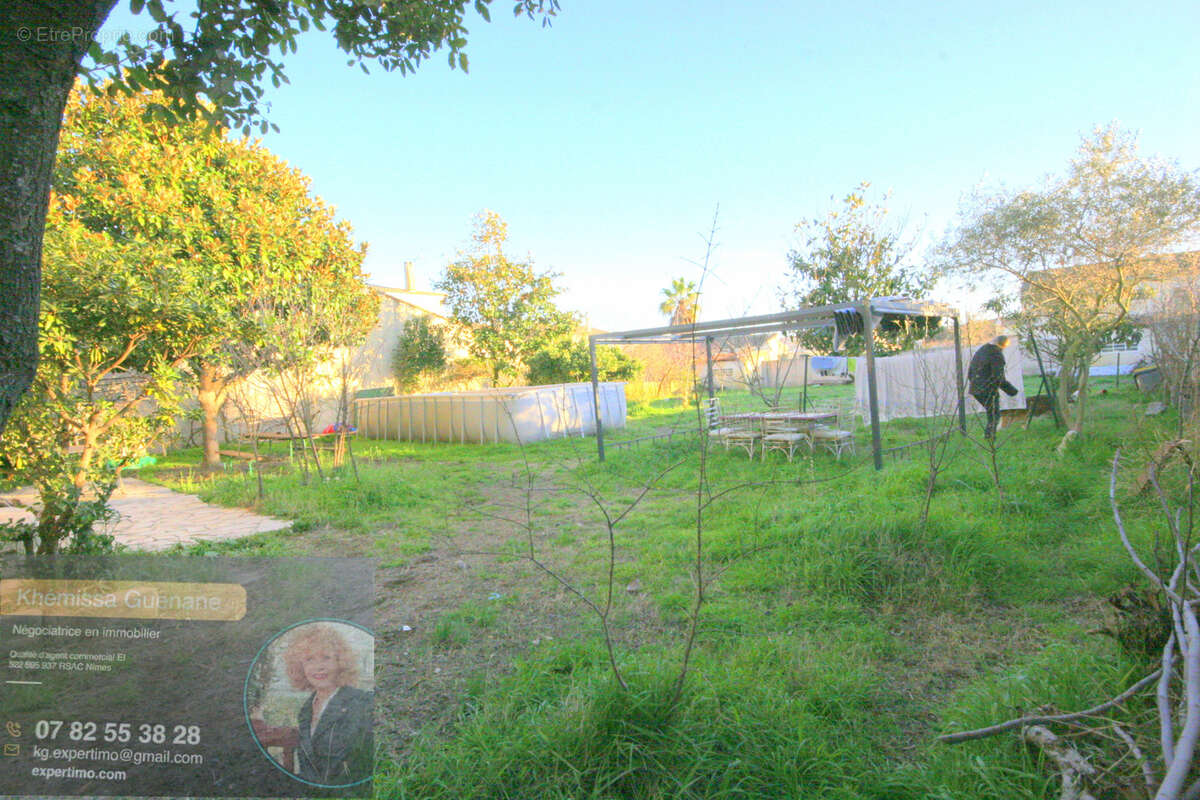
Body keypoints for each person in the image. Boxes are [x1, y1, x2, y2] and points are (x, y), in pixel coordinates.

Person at [282, 624, 373, 788]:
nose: (319, 667)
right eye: (309, 659)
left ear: (340, 662)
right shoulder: (305, 711)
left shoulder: (362, 703)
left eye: (326, 658)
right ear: (300, 667)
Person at [968, 334, 1019, 438]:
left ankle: (989, 436)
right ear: (1003, 345)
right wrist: (1012, 391)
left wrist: (975, 384)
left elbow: (970, 372)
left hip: (975, 388)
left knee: (991, 412)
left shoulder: (981, 350)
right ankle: (990, 438)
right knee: (994, 414)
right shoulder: (996, 354)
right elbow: (998, 378)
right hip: (988, 389)